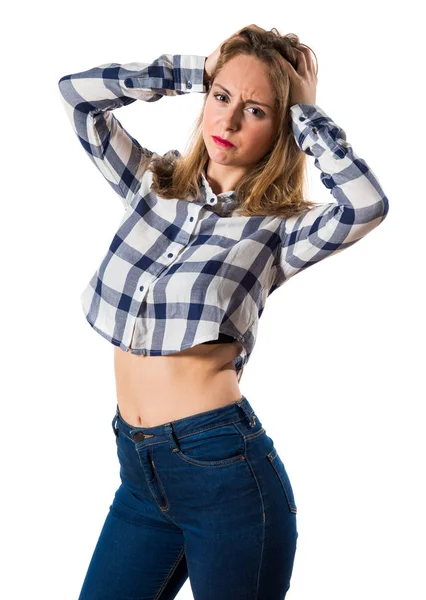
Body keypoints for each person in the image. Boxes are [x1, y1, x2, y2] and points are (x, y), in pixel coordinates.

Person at [58, 24, 389, 600]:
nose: (229, 122)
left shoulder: (280, 229)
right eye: (221, 98)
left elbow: (367, 204)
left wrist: (307, 114)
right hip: (139, 476)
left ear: (281, 126)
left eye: (256, 110)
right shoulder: (153, 185)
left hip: (225, 474)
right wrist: (194, 70)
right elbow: (76, 94)